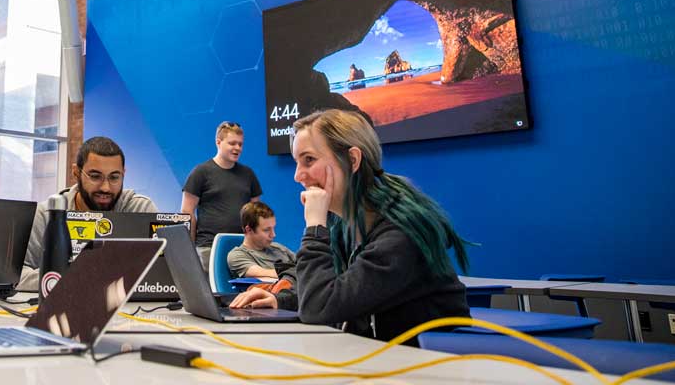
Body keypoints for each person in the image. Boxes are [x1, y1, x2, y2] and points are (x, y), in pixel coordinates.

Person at [229, 109, 470, 344]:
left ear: (352, 160)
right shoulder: (345, 224)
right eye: (296, 162)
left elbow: (320, 308)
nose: (298, 175)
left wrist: (314, 227)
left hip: (430, 367)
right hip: (384, 362)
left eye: (309, 160)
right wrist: (280, 300)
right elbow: (332, 289)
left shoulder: (400, 232)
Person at [19, 136, 158, 290]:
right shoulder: (47, 215)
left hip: (132, 311)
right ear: (76, 173)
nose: (105, 187)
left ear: (123, 174)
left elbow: (167, 272)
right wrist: (71, 278)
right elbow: (17, 274)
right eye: (95, 176)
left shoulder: (141, 211)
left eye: (114, 177)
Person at [181, 121, 262, 266]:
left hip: (242, 249)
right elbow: (187, 213)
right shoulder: (200, 172)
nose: (237, 148)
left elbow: (257, 214)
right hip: (209, 249)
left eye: (240, 144)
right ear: (218, 142)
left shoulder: (248, 174)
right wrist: (189, 250)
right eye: (232, 143)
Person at [227, 201, 296, 279]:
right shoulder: (237, 256)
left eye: (273, 228)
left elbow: (305, 266)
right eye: (267, 230)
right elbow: (267, 274)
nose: (273, 235)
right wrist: (298, 272)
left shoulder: (279, 247)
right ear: (249, 230)